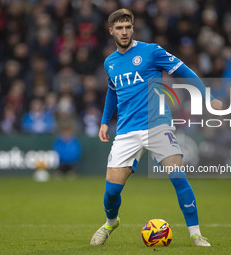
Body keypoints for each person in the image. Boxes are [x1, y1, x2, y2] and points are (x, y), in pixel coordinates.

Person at [90, 9, 222, 247]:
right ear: (111, 31)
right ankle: (111, 223)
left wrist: (207, 96)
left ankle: (195, 234)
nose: (124, 32)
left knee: (178, 178)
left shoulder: (151, 51)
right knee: (111, 192)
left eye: (128, 27)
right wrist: (103, 121)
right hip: (126, 131)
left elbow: (185, 71)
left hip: (158, 125)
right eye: (119, 28)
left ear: (133, 28)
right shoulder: (110, 62)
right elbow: (112, 91)